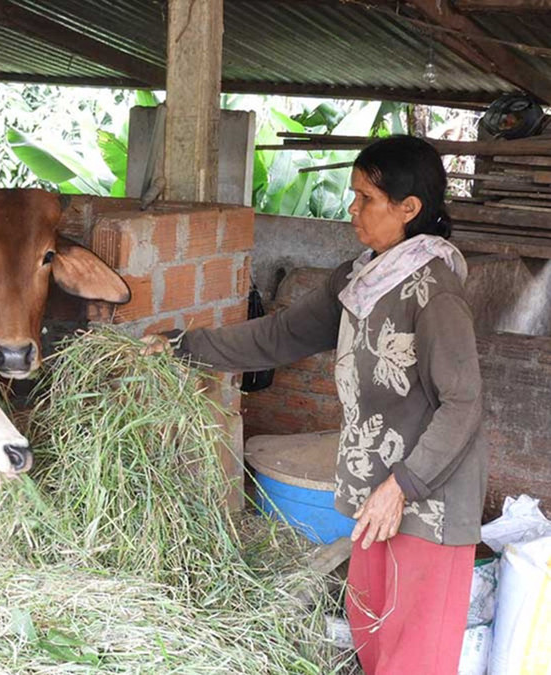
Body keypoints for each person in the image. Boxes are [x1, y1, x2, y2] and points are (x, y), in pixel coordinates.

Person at [144, 135, 487, 675]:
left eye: (366, 199)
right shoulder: (359, 280)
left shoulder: (433, 292)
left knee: (414, 657)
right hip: (375, 496)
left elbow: (464, 404)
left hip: (427, 504)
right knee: (371, 640)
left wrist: (403, 487)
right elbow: (278, 336)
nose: (352, 210)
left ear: (409, 208)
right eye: (353, 196)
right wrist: (185, 346)